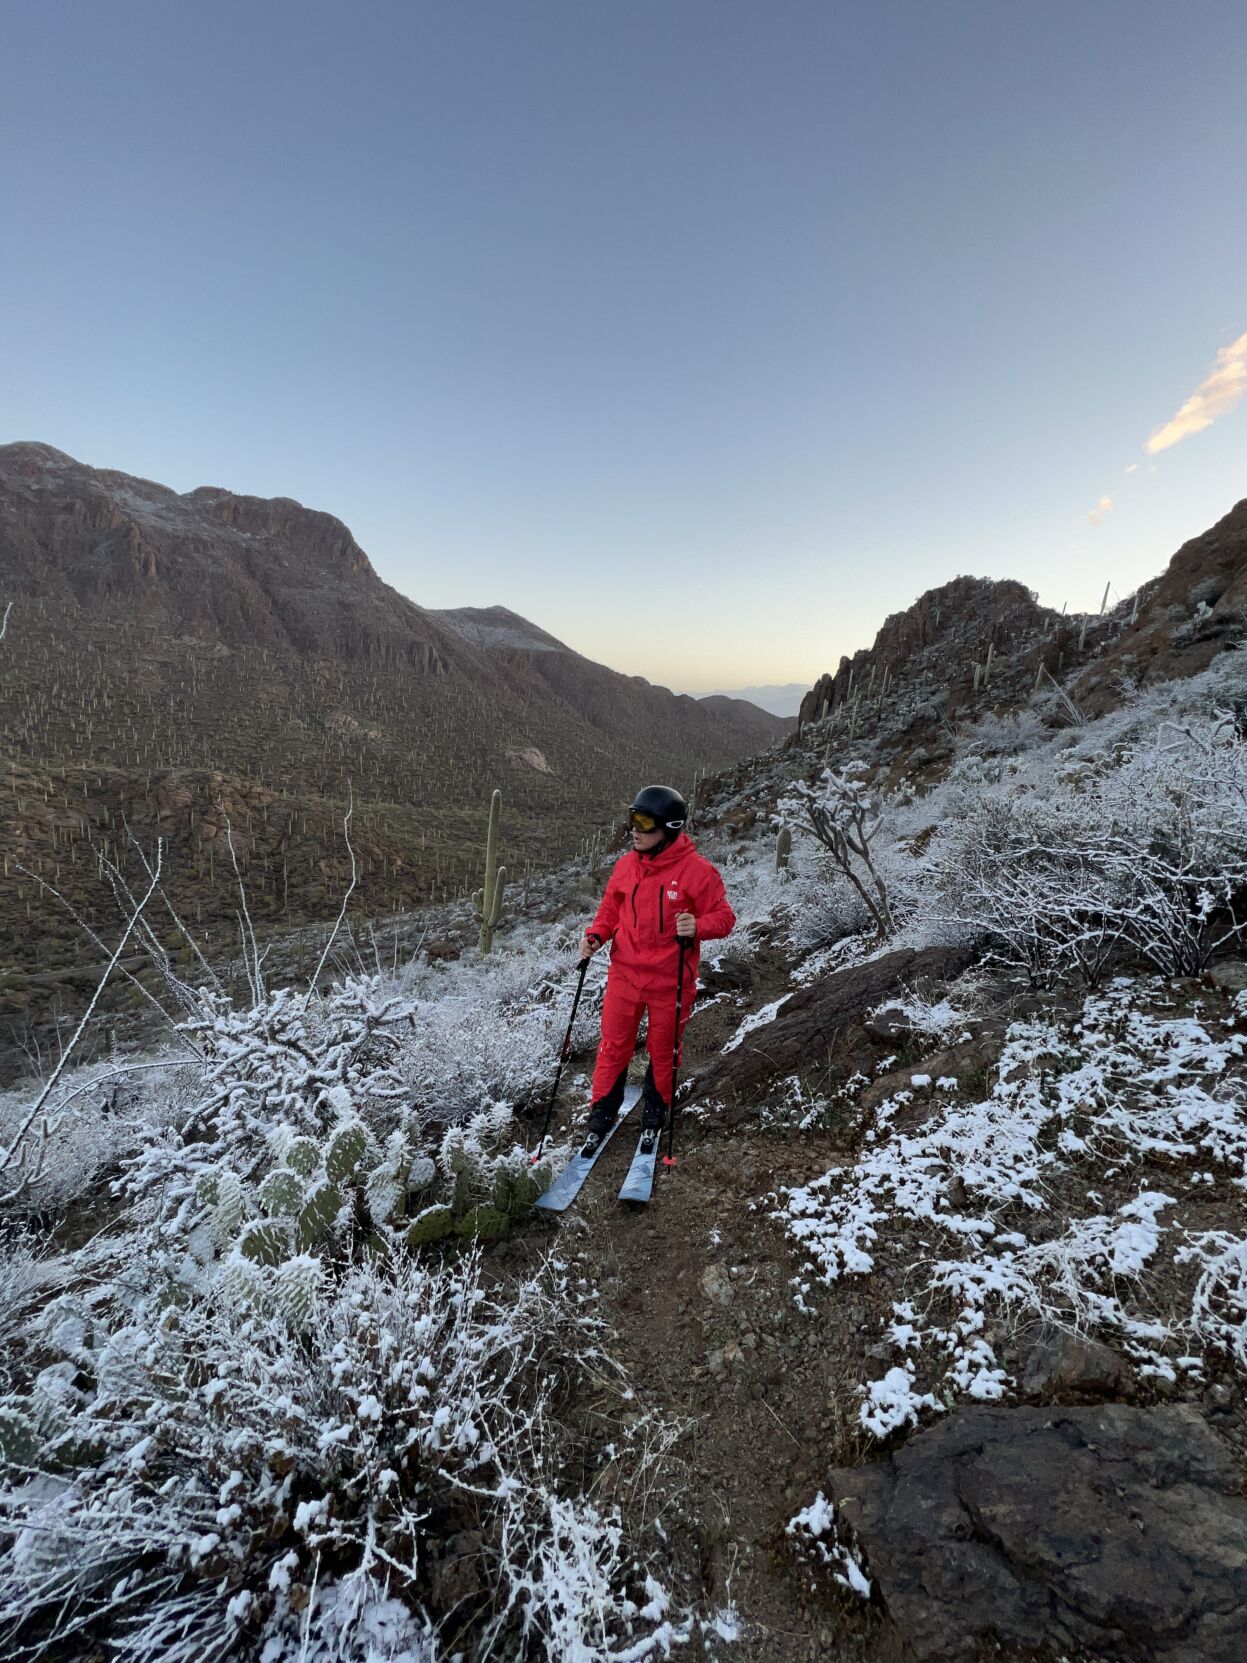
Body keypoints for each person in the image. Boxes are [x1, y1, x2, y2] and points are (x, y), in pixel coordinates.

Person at [578, 784, 736, 1152]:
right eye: (632, 819)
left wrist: (698, 926)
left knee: (663, 1050)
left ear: (669, 826)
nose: (634, 829)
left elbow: (725, 918)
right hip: (624, 975)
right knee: (613, 1046)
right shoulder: (626, 865)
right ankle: (601, 1113)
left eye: (644, 821)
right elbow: (611, 909)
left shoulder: (697, 871)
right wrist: (596, 935)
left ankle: (654, 1113)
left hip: (670, 981)